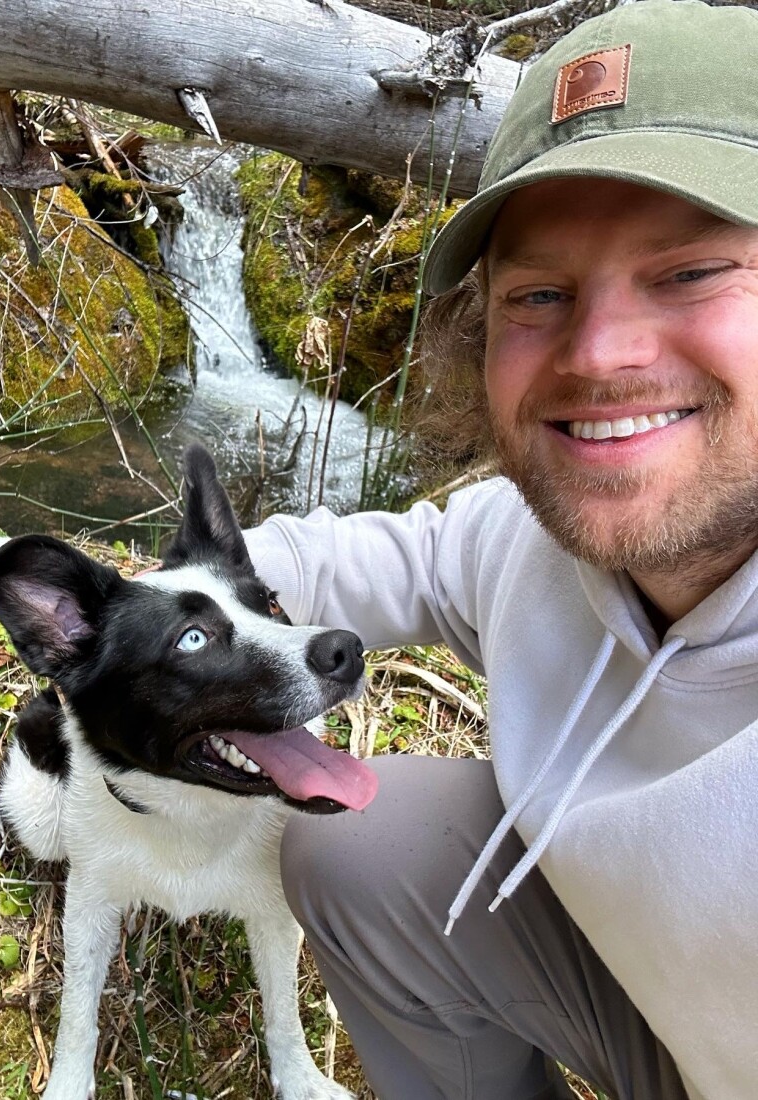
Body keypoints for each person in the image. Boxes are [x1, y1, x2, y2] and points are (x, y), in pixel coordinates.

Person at [243, 1, 758, 1097]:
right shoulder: (530, 545)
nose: (598, 353)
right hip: (682, 1028)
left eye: (690, 272)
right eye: (539, 294)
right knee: (361, 850)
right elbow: (351, 561)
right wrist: (106, 614)